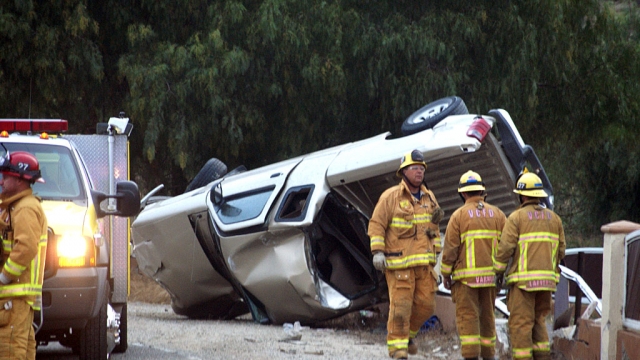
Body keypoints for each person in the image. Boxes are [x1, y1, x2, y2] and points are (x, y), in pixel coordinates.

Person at [368, 149, 444, 359]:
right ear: (403, 171)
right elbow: (376, 224)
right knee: (400, 307)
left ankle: (408, 336)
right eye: (414, 168)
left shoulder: (429, 197)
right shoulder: (391, 197)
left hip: (424, 265)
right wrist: (377, 251)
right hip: (399, 264)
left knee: (426, 306)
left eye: (421, 168)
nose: (419, 172)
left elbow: (434, 227)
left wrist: (436, 250)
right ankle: (397, 349)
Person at [493, 172, 565, 360]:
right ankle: (542, 356)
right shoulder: (554, 219)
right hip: (547, 283)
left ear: (522, 195)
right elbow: (562, 251)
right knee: (538, 321)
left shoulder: (517, 218)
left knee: (521, 324)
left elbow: (505, 248)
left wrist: (498, 272)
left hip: (523, 283)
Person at [441, 171, 506, 360]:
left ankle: (470, 356)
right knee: (487, 319)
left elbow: (451, 249)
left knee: (468, 319)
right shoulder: (498, 214)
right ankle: (488, 355)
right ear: (482, 191)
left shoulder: (458, 216)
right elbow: (507, 246)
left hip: (466, 280)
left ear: (463, 194)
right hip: (490, 280)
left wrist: (446, 274)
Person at [0, 151, 48, 360]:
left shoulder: (25, 209)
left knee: (10, 351)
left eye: (7, 176)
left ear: (21, 179)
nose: (2, 180)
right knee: (23, 351)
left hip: (15, 296)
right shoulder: (15, 207)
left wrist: (3, 277)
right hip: (17, 298)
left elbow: (26, 247)